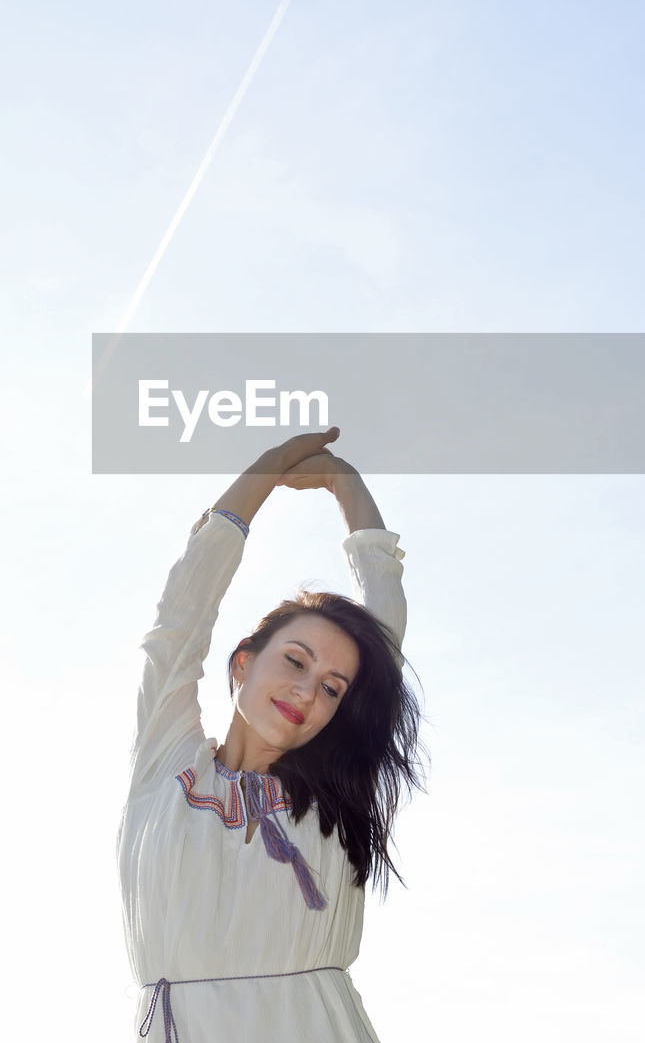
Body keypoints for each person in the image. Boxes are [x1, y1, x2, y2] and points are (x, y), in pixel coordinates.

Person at [117, 427, 425, 1042]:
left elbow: (383, 624)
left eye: (334, 688)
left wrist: (345, 483)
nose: (309, 691)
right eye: (295, 661)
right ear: (243, 661)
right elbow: (179, 622)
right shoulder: (166, 767)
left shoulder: (335, 798)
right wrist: (262, 474)